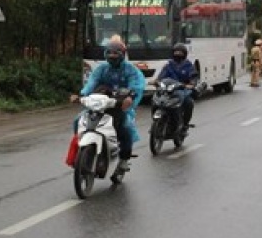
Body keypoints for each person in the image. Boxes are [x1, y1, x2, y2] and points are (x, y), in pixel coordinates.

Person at [71, 39, 145, 183]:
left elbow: (136, 86)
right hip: (100, 104)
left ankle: (124, 159)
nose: (112, 56)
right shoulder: (101, 68)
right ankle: (82, 148)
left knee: (126, 127)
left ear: (122, 54)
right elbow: (91, 82)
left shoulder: (130, 69)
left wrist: (130, 97)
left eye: (116, 53)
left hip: (119, 105)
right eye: (109, 52)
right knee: (78, 120)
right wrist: (81, 95)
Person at [156, 42, 199, 133]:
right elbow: (161, 76)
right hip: (168, 90)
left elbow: (193, 77)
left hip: (182, 90)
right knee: (157, 100)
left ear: (184, 54)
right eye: (176, 52)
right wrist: (157, 82)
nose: (178, 54)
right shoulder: (169, 65)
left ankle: (184, 124)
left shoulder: (188, 65)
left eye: (180, 53)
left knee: (188, 102)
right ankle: (159, 122)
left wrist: (191, 84)